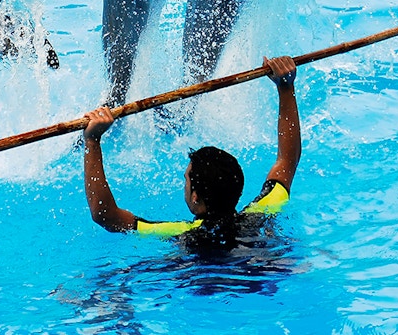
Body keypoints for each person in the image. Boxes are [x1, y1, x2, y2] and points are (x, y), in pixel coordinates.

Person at [81, 55, 301, 250]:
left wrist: (92, 141)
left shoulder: (184, 233)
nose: (184, 185)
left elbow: (105, 215)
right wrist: (286, 88)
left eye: (186, 180)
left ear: (196, 197)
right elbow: (287, 161)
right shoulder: (260, 214)